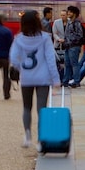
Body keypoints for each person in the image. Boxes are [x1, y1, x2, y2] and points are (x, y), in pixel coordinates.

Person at [9, 10, 60, 149]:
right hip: (43, 78)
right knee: (41, 109)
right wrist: (56, 78)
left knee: (27, 107)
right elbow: (50, 59)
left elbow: (13, 58)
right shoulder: (45, 37)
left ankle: (27, 136)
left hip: (27, 77)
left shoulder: (18, 39)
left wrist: (21, 68)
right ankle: (41, 140)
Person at [63, 5, 85, 88]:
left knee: (74, 64)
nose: (68, 13)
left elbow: (80, 35)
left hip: (74, 47)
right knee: (67, 64)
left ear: (74, 13)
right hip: (68, 46)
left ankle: (76, 81)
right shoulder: (69, 22)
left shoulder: (77, 23)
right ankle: (65, 81)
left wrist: (71, 41)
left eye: (70, 12)